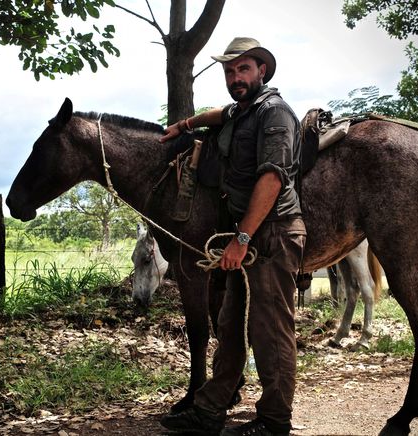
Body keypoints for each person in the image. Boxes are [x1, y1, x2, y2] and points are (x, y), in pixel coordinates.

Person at [158, 37, 306, 436]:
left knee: (270, 329)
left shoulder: (273, 113)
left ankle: (275, 422)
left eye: (243, 69)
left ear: (262, 71)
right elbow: (215, 114)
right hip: (246, 234)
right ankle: (209, 409)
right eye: (229, 71)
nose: (235, 77)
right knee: (229, 323)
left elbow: (272, 178)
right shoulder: (241, 111)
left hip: (271, 232)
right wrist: (184, 125)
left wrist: (241, 240)